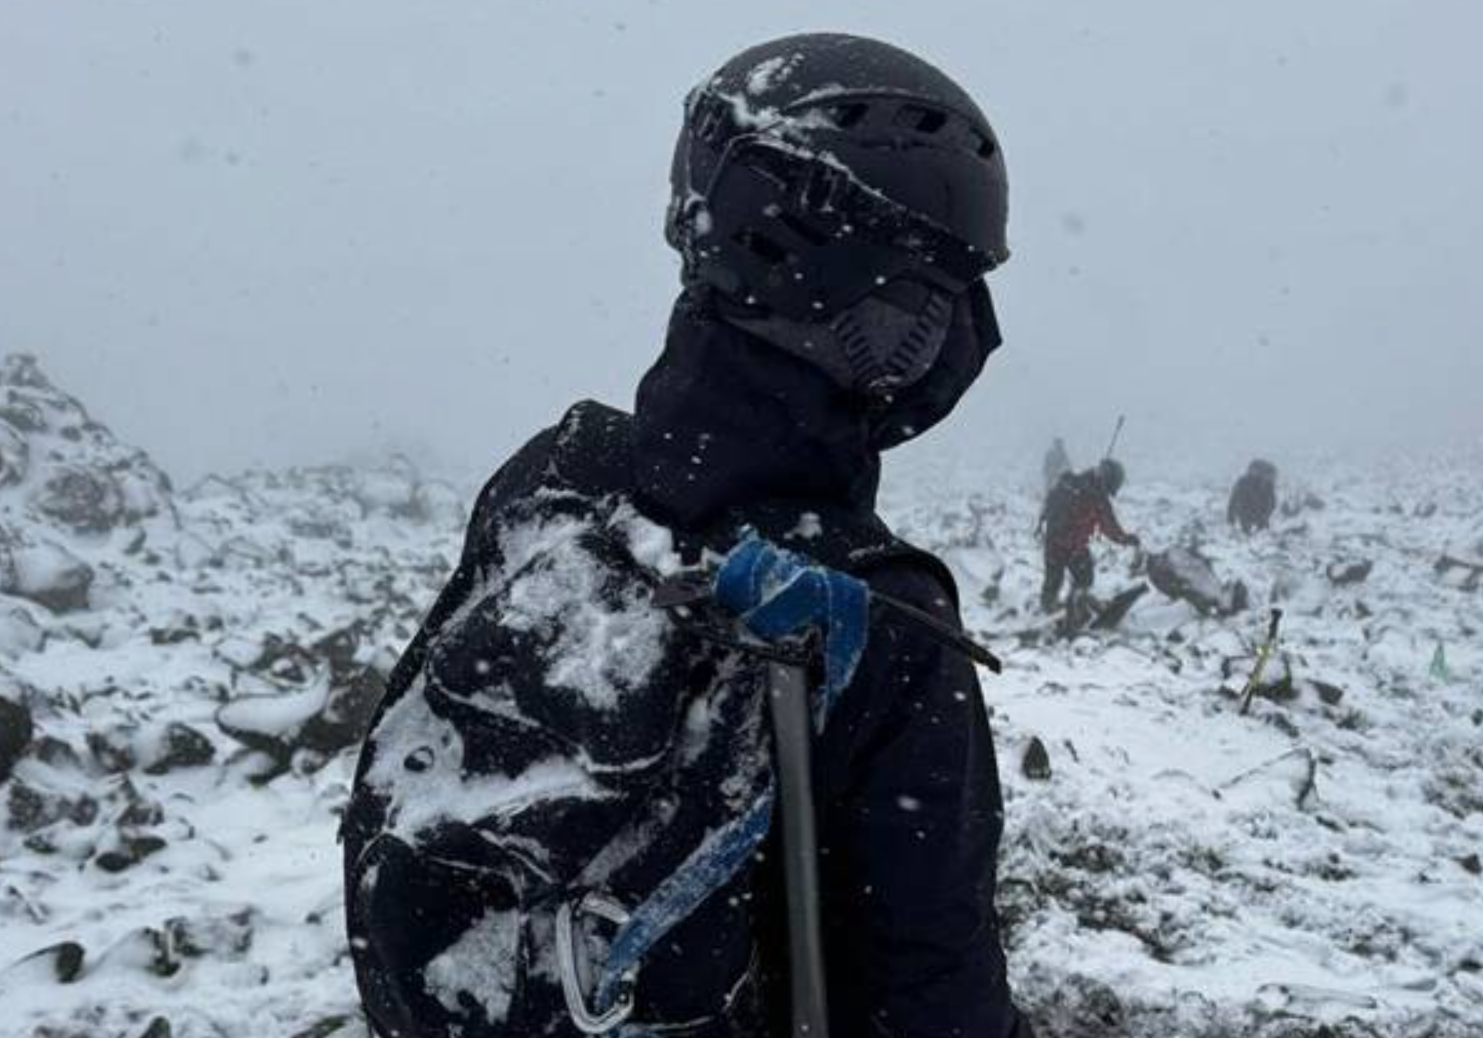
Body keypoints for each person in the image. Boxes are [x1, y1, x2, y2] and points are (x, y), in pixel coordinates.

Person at [343, 33, 1032, 1038]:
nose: (954, 331)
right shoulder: (882, 618)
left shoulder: (554, 472)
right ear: (866, 299)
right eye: (932, 293)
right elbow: (936, 992)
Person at [1038, 457, 1140, 612]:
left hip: (1064, 544)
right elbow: (1110, 527)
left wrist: (1125, 539)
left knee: (1069, 579)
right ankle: (1061, 612)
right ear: (1108, 480)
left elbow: (1109, 527)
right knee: (1069, 580)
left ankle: (1065, 609)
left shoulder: (1080, 487)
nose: (1109, 491)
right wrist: (1125, 539)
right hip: (1065, 545)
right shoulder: (1087, 492)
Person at [1228, 458, 1279, 533]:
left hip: (1255, 515)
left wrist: (1231, 517)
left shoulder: (1267, 485)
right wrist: (1231, 517)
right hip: (1249, 514)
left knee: (1259, 534)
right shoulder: (1245, 482)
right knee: (1257, 533)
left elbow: (1272, 503)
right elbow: (1234, 499)